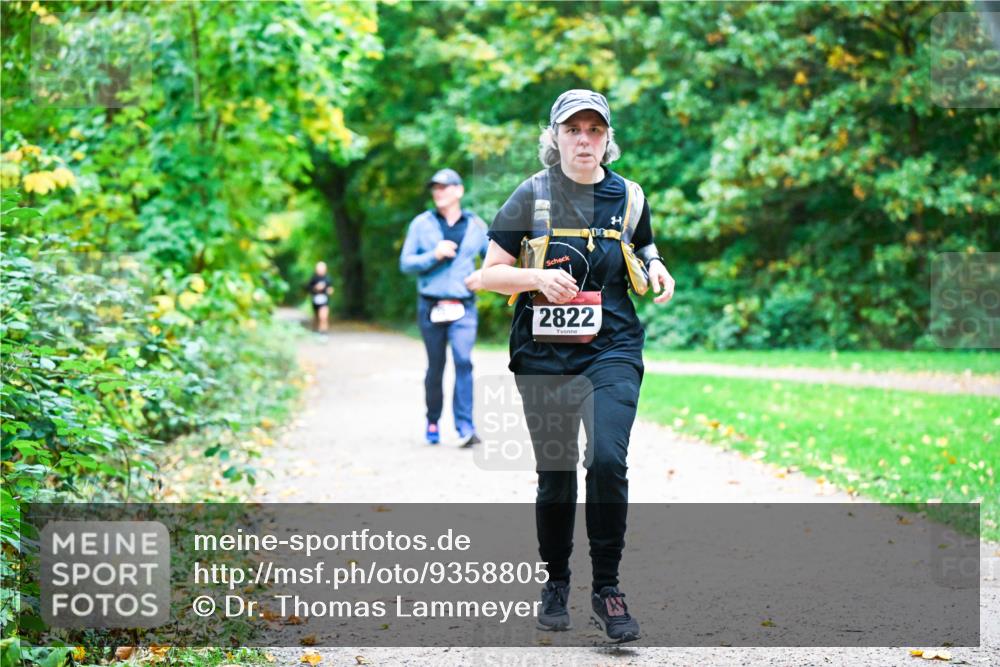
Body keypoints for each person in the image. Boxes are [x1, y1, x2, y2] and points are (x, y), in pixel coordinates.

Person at [480, 89, 675, 643]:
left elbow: (645, 243)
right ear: (556, 138)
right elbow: (490, 274)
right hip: (544, 356)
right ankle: (556, 582)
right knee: (557, 475)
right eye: (573, 130)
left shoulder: (629, 195)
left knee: (609, 460)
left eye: (594, 130)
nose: (584, 139)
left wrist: (658, 268)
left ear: (606, 139)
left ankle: (607, 588)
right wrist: (535, 278)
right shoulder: (530, 196)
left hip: (612, 346)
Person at [399, 168, 490, 447]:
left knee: (464, 360)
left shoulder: (476, 225)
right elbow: (406, 264)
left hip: (463, 306)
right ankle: (433, 420)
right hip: (431, 305)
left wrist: (483, 276)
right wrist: (433, 255)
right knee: (435, 366)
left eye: (445, 187)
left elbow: (493, 260)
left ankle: (465, 426)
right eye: (435, 188)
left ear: (459, 191)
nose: (439, 192)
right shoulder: (421, 224)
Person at [307, 261, 333, 332]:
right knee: (317, 317)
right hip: (315, 300)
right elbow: (308, 288)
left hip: (325, 300)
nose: (320, 270)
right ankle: (316, 330)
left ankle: (323, 332)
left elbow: (331, 289)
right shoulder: (313, 278)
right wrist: (316, 288)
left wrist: (329, 291)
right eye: (319, 268)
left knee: (324, 317)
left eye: (322, 268)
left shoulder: (328, 278)